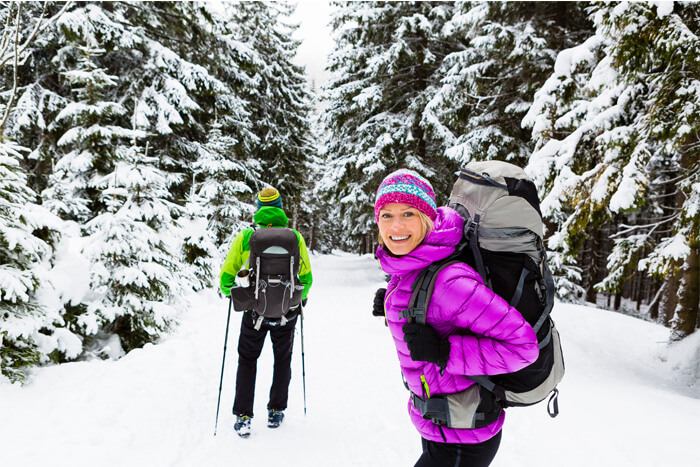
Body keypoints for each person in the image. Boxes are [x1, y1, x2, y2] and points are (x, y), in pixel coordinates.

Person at [373, 169, 539, 467]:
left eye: (408, 213)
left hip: (465, 437)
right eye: (386, 215)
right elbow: (439, 317)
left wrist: (444, 352)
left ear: (426, 217)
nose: (395, 225)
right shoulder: (415, 264)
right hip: (442, 421)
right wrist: (393, 303)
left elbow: (523, 347)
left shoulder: (451, 283)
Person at [220, 187, 313, 437]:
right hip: (287, 313)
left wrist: (235, 293)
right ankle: (276, 411)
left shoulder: (247, 236)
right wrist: (297, 300)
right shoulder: (294, 237)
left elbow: (226, 277)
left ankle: (243, 417)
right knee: (282, 360)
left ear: (259, 208)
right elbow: (306, 278)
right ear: (281, 207)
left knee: (247, 361)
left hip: (254, 313)